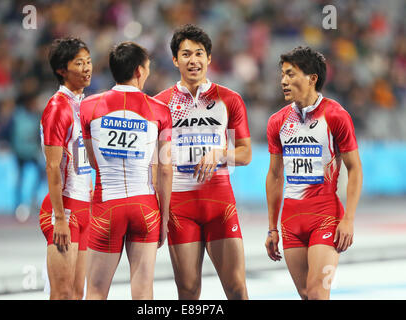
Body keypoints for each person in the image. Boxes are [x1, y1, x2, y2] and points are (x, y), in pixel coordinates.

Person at [154, 24, 252, 300]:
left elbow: (245, 154)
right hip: (179, 206)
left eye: (199, 54)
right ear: (175, 60)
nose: (193, 60)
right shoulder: (160, 104)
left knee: (236, 287)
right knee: (187, 291)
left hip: (219, 202)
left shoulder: (229, 99)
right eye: (185, 54)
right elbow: (156, 163)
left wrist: (220, 153)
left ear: (209, 58)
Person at [265, 46, 363, 300]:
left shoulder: (335, 115)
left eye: (290, 74)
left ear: (312, 78)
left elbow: (355, 169)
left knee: (319, 292)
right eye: (282, 75)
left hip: (325, 216)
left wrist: (349, 219)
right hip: (291, 219)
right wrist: (271, 228)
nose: (283, 81)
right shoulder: (277, 121)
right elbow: (275, 175)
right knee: (307, 294)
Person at [80, 41, 172, 300]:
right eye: (149, 68)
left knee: (96, 292)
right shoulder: (161, 111)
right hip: (145, 207)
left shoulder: (88, 107)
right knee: (143, 293)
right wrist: (164, 218)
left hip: (106, 203)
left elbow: (89, 157)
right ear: (140, 71)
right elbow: (165, 170)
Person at [39, 37, 93, 300]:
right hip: (65, 210)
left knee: (76, 293)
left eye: (89, 61)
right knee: (61, 294)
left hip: (84, 207)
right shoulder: (58, 107)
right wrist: (60, 218)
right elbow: (52, 166)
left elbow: (82, 159)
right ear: (62, 69)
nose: (86, 68)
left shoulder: (84, 104)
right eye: (79, 63)